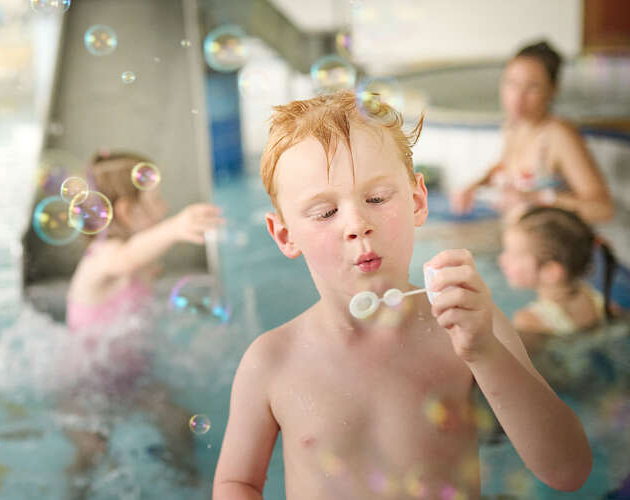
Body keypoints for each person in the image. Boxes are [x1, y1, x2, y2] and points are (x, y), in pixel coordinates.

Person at [213, 90, 592, 499]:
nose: (357, 224)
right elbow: (239, 483)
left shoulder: (469, 328)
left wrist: (484, 352)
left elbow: (567, 471)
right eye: (325, 213)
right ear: (285, 235)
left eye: (376, 198)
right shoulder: (272, 361)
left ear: (417, 200)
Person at [60, 152, 223, 497]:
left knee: (179, 422)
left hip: (134, 378)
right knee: (93, 449)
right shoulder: (103, 259)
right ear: (126, 211)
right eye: (155, 200)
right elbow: (124, 257)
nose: (163, 208)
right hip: (89, 384)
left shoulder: (136, 262)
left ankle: (189, 482)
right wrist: (176, 228)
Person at [450, 41, 614, 224]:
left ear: (552, 90)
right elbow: (506, 165)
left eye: (532, 87)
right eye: (511, 83)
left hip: (553, 245)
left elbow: (602, 209)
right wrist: (474, 187)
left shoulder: (558, 135)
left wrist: (539, 198)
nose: (517, 97)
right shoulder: (513, 126)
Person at [499, 206, 616, 351]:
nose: (501, 260)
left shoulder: (529, 322)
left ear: (550, 271)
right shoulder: (596, 299)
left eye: (513, 255)